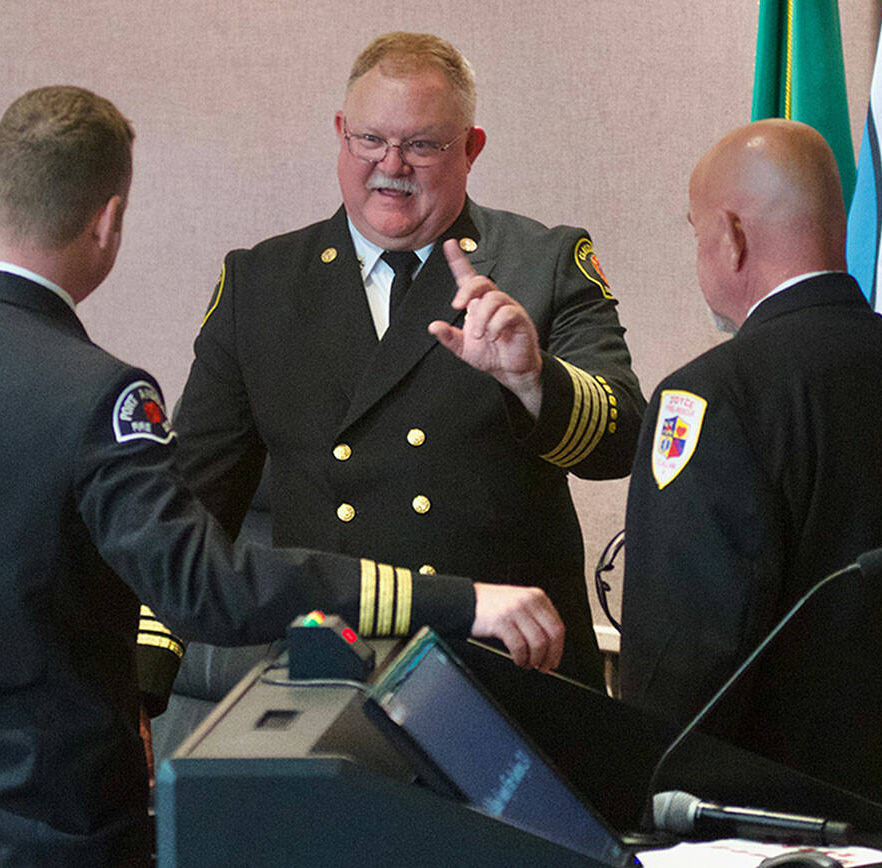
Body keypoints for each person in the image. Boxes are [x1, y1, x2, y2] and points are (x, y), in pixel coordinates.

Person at [0, 85, 563, 867]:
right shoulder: (97, 396)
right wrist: (459, 600)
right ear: (108, 221)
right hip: (59, 832)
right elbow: (210, 590)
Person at [174, 32, 645, 690]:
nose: (390, 166)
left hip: (508, 672)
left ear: (471, 148)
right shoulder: (261, 284)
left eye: (422, 145)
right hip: (335, 671)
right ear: (340, 134)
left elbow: (622, 441)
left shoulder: (542, 263)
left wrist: (533, 381)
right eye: (369, 140)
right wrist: (142, 681)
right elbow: (189, 507)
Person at [619, 119, 882, 866]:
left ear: (732, 237)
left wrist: (639, 807)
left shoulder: (710, 398)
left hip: (775, 840)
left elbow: (681, 662)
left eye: (698, 233)